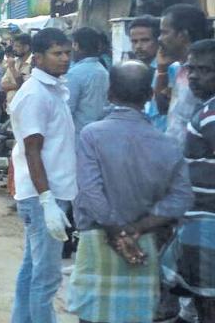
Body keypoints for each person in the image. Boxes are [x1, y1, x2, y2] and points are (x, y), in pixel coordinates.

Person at [68, 61, 193, 323]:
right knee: (136, 316)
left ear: (110, 94)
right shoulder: (168, 144)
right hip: (143, 242)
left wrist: (117, 230)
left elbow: (91, 191)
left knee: (92, 316)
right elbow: (182, 198)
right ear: (149, 96)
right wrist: (137, 227)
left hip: (99, 238)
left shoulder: (92, 135)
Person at [9, 28, 76, 323]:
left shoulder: (53, 89)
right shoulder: (35, 95)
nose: (64, 59)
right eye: (57, 53)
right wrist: (47, 200)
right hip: (42, 195)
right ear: (37, 58)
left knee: (31, 270)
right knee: (46, 279)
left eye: (67, 53)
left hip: (52, 191)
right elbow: (32, 150)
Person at [160, 39, 215, 322]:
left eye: (204, 70)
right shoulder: (205, 109)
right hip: (198, 220)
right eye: (191, 68)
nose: (193, 75)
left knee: (207, 302)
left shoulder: (211, 114)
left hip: (207, 222)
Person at [155, 4, 213, 146]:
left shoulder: (207, 72)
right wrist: (162, 70)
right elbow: (162, 109)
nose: (159, 39)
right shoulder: (176, 69)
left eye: (164, 32)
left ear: (183, 34)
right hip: (174, 155)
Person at [66, 27, 110, 136]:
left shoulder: (74, 73)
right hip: (101, 133)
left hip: (80, 135)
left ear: (76, 46)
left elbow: (67, 111)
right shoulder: (103, 71)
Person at [128, 15, 165, 131]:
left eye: (145, 40)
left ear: (158, 40)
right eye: (134, 41)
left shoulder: (167, 70)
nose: (138, 46)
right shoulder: (131, 70)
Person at [1, 34, 33, 107]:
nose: (14, 49)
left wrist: (12, 68)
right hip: (11, 106)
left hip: (25, 107)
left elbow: (26, 87)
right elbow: (3, 85)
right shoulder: (14, 62)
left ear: (26, 47)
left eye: (17, 46)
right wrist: (18, 85)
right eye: (13, 46)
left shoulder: (34, 63)